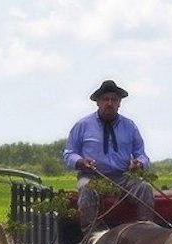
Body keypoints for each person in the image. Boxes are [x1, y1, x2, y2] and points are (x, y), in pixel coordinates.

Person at [63, 79, 155, 231]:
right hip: (92, 176)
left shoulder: (130, 126)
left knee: (144, 188)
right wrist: (81, 162)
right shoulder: (82, 125)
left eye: (114, 100)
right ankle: (90, 236)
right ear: (98, 102)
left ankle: (145, 232)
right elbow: (69, 154)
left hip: (123, 178)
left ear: (119, 103)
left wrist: (139, 163)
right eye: (105, 99)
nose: (110, 103)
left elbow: (142, 155)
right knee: (86, 188)